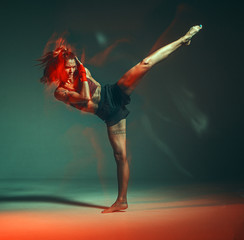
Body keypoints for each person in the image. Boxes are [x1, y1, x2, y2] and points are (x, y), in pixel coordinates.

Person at [38, 25, 202, 213]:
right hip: (109, 114)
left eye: (73, 68)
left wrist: (71, 58)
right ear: (60, 69)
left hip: (113, 93)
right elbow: (84, 98)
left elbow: (77, 66)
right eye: (67, 69)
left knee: (145, 63)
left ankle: (183, 39)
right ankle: (121, 201)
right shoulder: (60, 92)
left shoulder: (78, 69)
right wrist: (82, 75)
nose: (71, 71)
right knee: (120, 156)